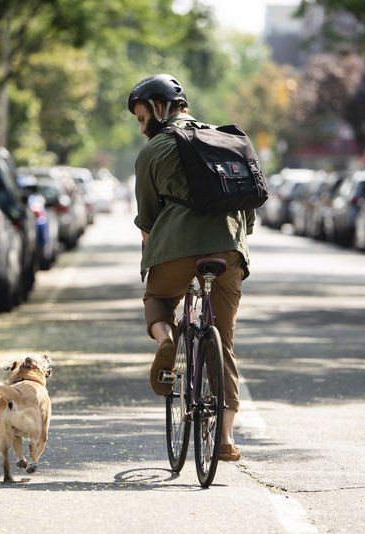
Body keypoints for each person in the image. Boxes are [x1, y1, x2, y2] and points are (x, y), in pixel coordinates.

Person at [127, 73, 254, 462]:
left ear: (159, 108)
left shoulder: (153, 151)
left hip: (178, 249)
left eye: (141, 115)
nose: (141, 124)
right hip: (229, 248)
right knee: (224, 340)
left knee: (159, 299)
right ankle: (226, 439)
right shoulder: (225, 140)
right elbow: (248, 206)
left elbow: (147, 218)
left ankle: (167, 338)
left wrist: (151, 242)